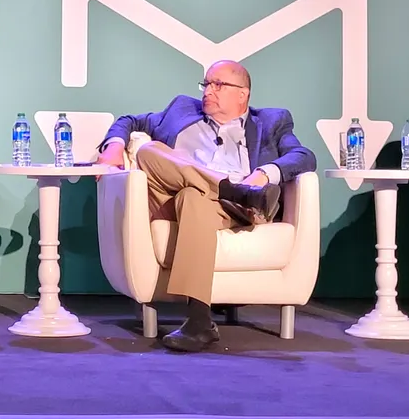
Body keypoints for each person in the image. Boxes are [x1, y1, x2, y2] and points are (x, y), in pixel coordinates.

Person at [96, 60, 316, 352]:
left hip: (236, 210)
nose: (208, 91)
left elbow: (303, 155)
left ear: (243, 94)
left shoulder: (272, 122)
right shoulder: (181, 111)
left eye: (218, 84)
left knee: (193, 197)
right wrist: (113, 145)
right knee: (152, 154)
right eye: (206, 84)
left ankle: (199, 322)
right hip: (175, 199)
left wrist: (264, 174)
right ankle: (229, 187)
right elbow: (129, 121)